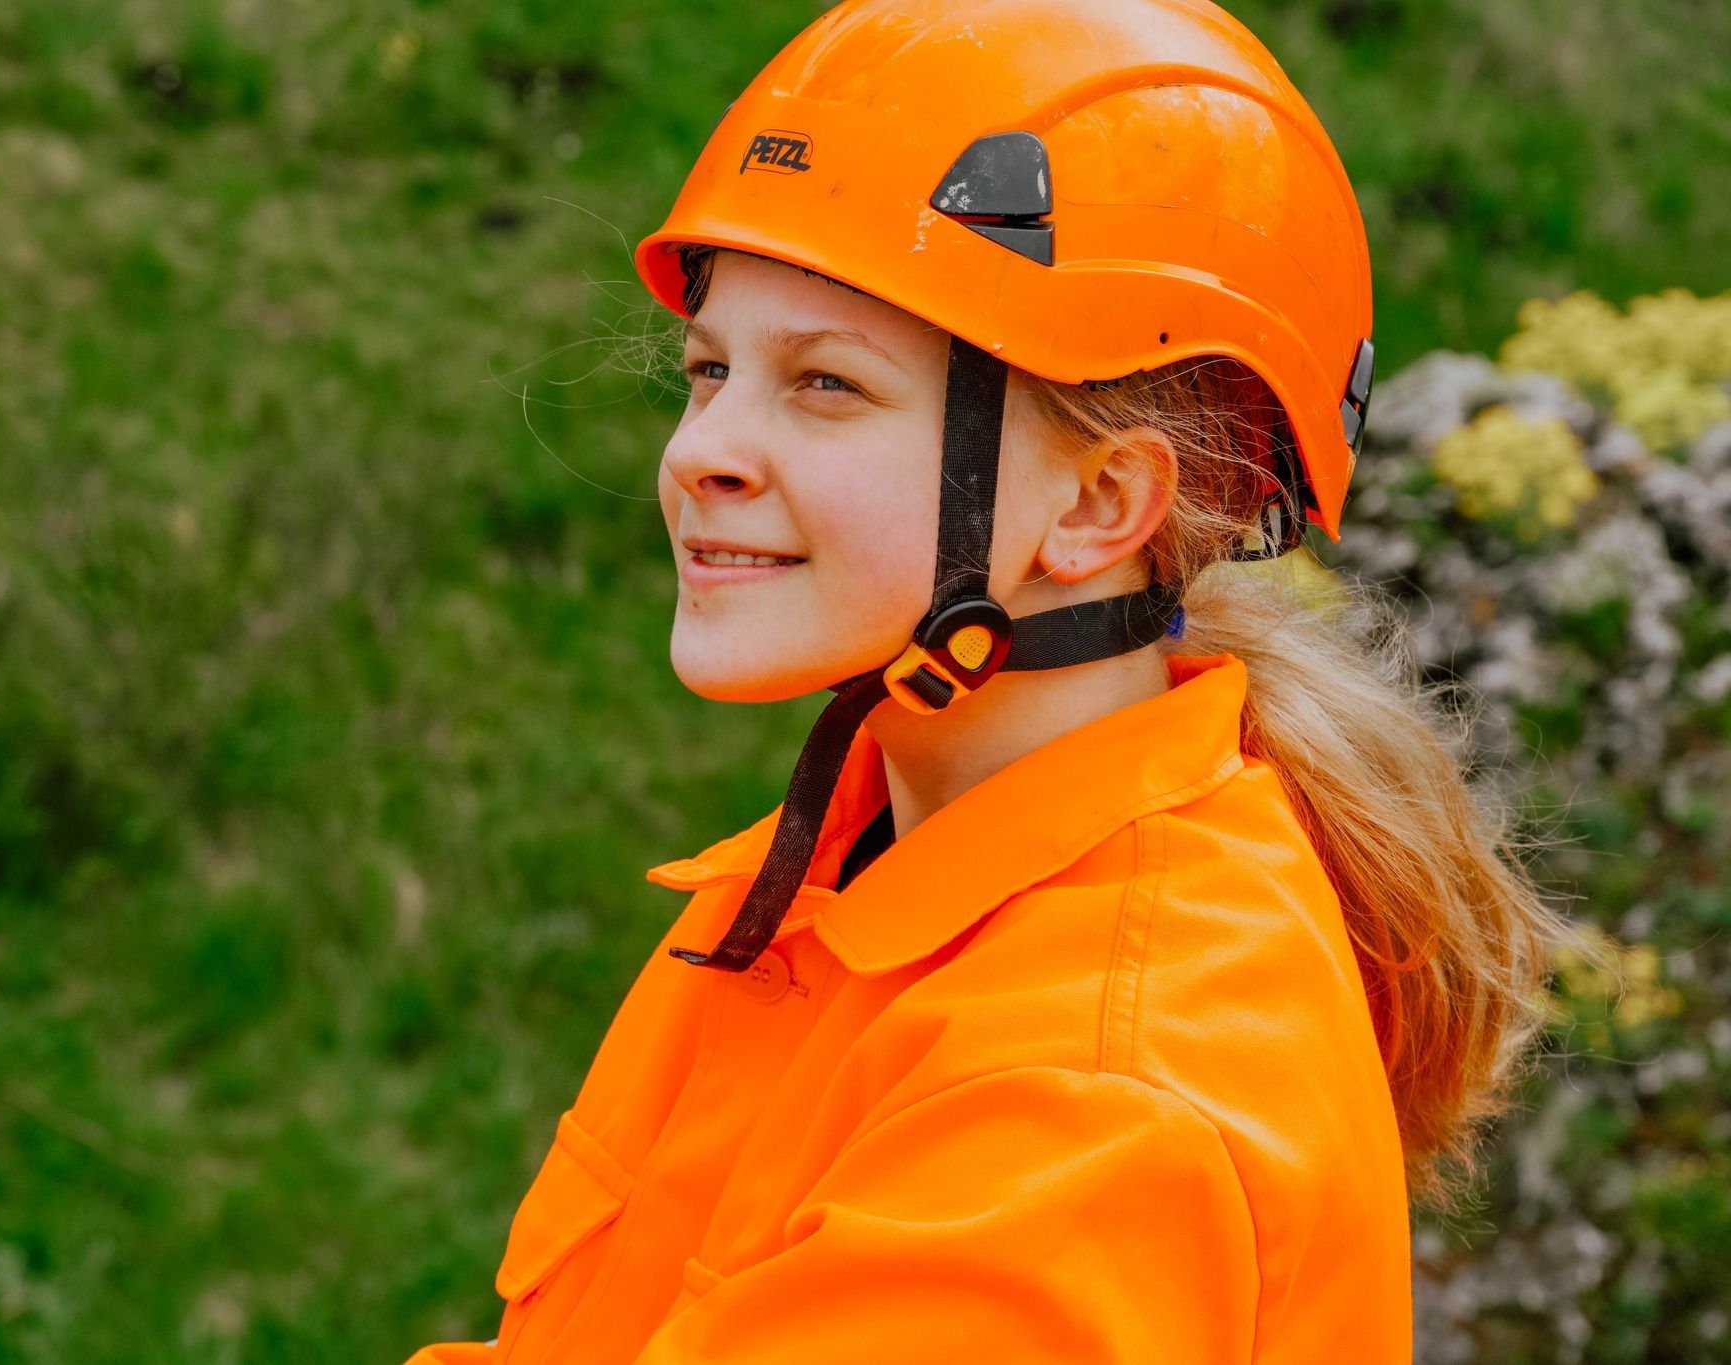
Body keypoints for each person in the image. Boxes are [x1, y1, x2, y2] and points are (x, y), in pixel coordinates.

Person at [403, 1, 1581, 1360]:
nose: (701, 452)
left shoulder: (1086, 1114)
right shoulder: (837, 881)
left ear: (1097, 504)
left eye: (828, 384)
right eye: (711, 369)